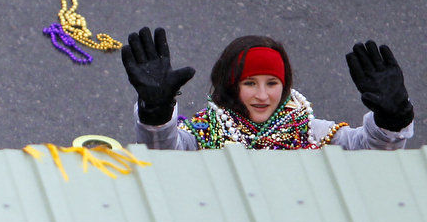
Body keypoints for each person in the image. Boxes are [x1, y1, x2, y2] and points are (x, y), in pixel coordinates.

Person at [121, 27, 414, 150]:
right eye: (250, 83)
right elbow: (160, 150)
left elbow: (372, 150)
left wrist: (393, 117)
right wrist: (155, 111)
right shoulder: (204, 133)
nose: (262, 96)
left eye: (272, 83)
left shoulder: (310, 132)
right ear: (231, 86)